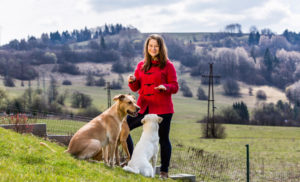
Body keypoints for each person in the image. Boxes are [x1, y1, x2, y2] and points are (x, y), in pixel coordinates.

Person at [126, 34, 178, 179]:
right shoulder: (141, 65)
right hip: (143, 106)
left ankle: (164, 172)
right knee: (124, 127)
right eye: (150, 46)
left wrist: (165, 87)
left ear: (161, 48)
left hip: (162, 109)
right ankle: (131, 160)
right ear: (147, 47)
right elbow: (135, 87)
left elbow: (175, 86)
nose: (153, 49)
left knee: (163, 138)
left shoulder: (168, 65)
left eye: (156, 46)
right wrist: (132, 80)